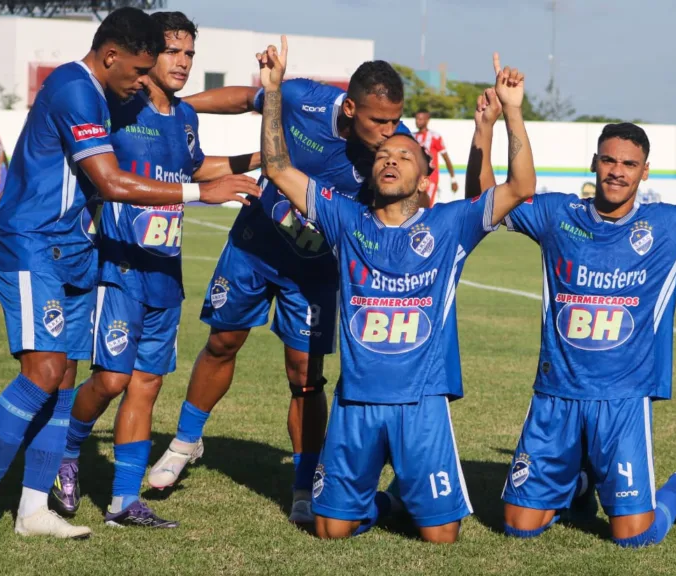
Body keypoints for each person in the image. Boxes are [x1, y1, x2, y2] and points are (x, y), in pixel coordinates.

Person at [0, 7, 260, 550]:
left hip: (75, 249)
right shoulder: (75, 88)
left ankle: (32, 508)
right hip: (33, 245)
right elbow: (110, 180)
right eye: (142, 70)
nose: (145, 82)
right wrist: (200, 193)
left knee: (65, 384)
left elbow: (44, 160)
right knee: (46, 371)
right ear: (112, 56)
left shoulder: (110, 97)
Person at [259, 38, 535, 543]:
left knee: (441, 538)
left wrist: (510, 114)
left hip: (421, 404)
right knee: (330, 531)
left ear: (426, 176)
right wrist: (273, 92)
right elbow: (278, 170)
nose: (389, 160)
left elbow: (518, 188)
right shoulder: (345, 220)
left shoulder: (451, 225)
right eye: (382, 154)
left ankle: (406, 495)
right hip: (356, 403)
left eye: (404, 156)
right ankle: (385, 498)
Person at [469, 88, 676, 547]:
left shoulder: (667, 226)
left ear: (645, 171)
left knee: (634, 537)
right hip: (556, 396)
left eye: (629, 164)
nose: (617, 172)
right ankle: (581, 481)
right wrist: (490, 125)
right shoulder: (557, 214)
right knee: (517, 527)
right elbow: (486, 201)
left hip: (623, 400)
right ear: (595, 163)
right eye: (609, 161)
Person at [147, 54, 411, 524]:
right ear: (350, 108)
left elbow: (403, 198)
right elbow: (244, 100)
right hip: (254, 246)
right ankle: (185, 442)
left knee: (305, 377)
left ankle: (305, 484)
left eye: (395, 120)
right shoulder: (303, 98)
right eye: (380, 121)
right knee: (223, 341)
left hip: (313, 274)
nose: (390, 131)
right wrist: (179, 103)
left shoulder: (392, 149)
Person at [47, 11, 259, 529]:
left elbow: (194, 168)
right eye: (173, 51)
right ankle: (67, 452)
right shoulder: (119, 106)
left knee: (146, 384)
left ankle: (123, 504)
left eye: (190, 54)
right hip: (117, 267)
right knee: (113, 379)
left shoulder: (185, 118)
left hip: (166, 273)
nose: (182, 62)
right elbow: (75, 160)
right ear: (147, 53)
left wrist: (259, 160)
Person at [414, 108, 458, 206]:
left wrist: (453, 179)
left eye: (421, 119)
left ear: (427, 120)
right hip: (414, 178)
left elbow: (446, 159)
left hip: (431, 179)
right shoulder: (412, 136)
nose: (418, 121)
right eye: (416, 119)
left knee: (426, 206)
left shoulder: (435, 137)